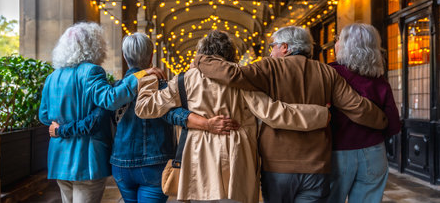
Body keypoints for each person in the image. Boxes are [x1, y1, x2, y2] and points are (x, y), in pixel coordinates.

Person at [193, 26, 389, 203]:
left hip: (277, 167)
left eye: (273, 46)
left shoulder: (268, 67)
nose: (271, 51)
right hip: (317, 167)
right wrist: (383, 121)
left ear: (285, 47)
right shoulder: (326, 72)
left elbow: (231, 74)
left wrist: (201, 59)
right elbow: (356, 106)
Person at [135, 30, 332, 203]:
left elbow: (144, 108)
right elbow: (274, 113)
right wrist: (320, 114)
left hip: (199, 156)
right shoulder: (241, 79)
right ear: (230, 53)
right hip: (238, 156)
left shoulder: (184, 79)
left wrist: (148, 77)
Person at [48, 32, 239, 203]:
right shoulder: (162, 86)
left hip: (121, 165)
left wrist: (60, 130)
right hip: (155, 165)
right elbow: (173, 114)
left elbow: (96, 118)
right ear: (151, 56)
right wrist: (205, 123)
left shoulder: (114, 88)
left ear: (124, 57)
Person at [39, 23, 164, 203]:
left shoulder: (52, 77)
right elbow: (111, 99)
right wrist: (140, 75)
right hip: (86, 159)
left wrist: (60, 127)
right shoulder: (91, 71)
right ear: (94, 46)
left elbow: (44, 116)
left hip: (59, 158)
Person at [327, 23, 401, 203]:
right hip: (374, 151)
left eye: (338, 39)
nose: (335, 43)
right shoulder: (379, 80)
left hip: (337, 151)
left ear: (345, 45)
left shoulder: (330, 73)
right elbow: (393, 124)